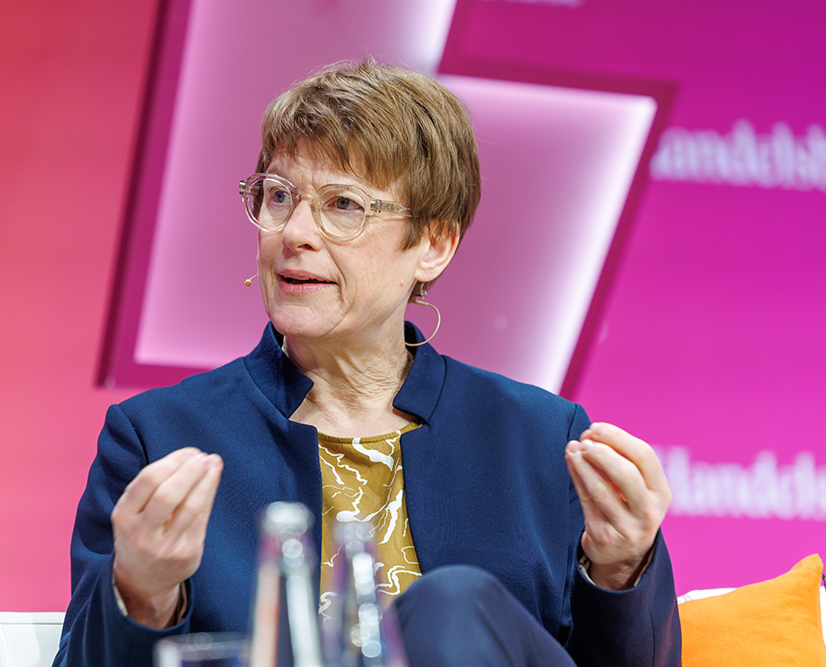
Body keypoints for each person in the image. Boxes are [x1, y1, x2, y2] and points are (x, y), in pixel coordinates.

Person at [53, 58, 681, 666]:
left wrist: (622, 568)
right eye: (278, 196)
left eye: (343, 205)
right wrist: (143, 593)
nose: (294, 232)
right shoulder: (159, 439)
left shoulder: (541, 441)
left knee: (455, 606)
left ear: (433, 244)